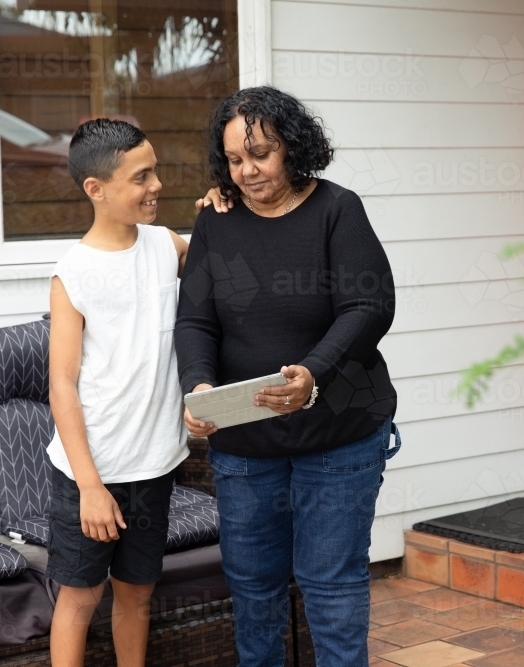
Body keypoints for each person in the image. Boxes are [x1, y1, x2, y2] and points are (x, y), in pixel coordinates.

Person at [177, 86, 399, 667]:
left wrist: (314, 373)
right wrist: (199, 385)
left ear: (292, 148)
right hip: (246, 445)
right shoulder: (216, 222)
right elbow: (195, 319)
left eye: (261, 154)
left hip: (339, 435)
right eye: (234, 159)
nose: (248, 171)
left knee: (331, 583)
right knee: (252, 587)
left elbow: (369, 307)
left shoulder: (337, 210)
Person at [47, 119, 190, 667]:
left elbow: (213, 254)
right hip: (90, 471)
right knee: (81, 596)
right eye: (140, 177)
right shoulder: (73, 273)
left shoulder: (164, 245)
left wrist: (221, 206)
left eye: (155, 171)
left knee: (136, 593)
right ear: (96, 189)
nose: (156, 185)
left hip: (152, 468)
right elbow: (61, 383)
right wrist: (89, 486)